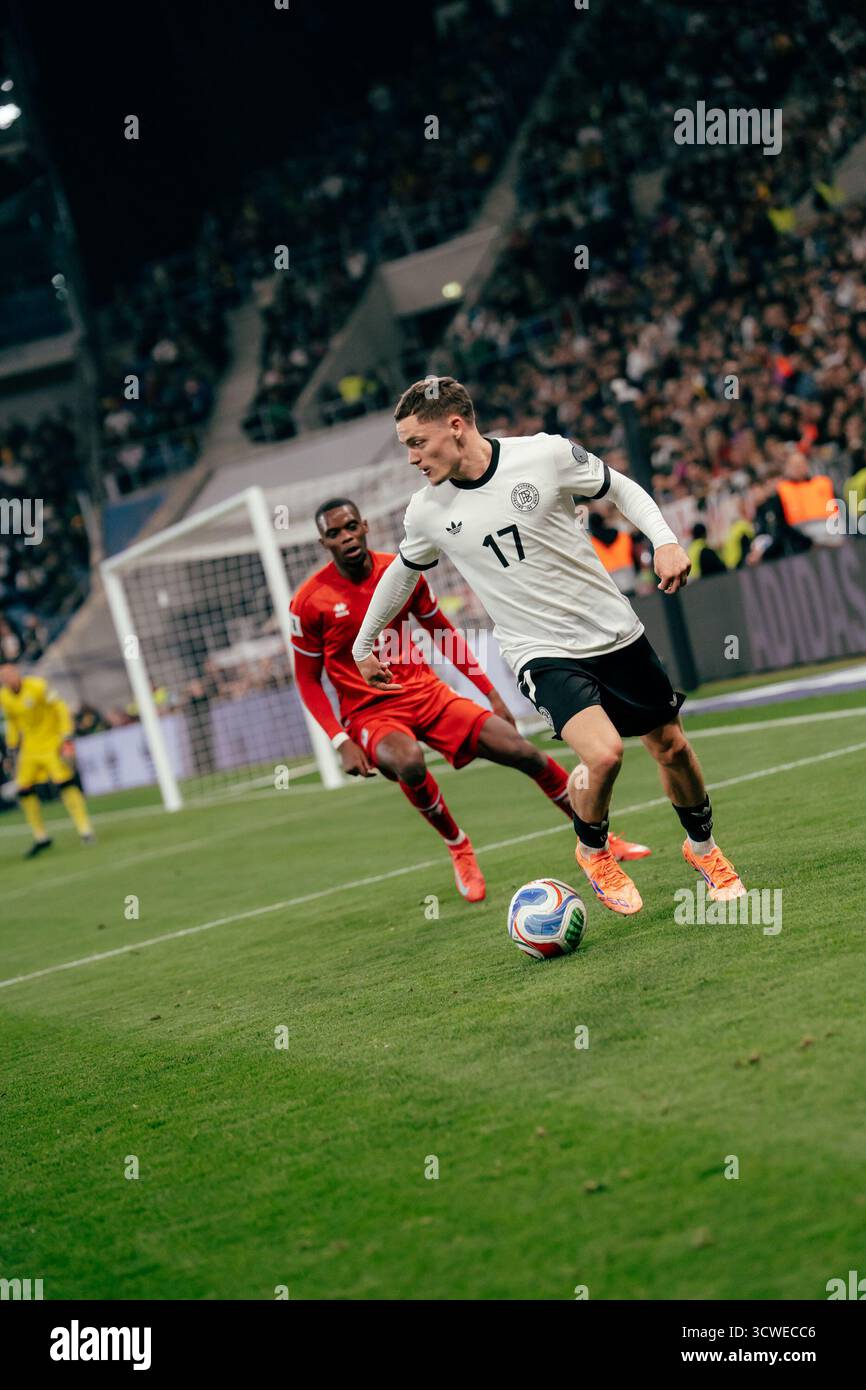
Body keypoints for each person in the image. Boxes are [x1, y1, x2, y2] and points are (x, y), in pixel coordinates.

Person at [352, 377, 746, 915]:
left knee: (671, 745)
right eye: (406, 447)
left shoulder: (545, 455)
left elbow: (621, 487)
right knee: (603, 754)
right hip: (539, 649)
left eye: (417, 443)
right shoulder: (426, 511)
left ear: (455, 425)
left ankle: (703, 849)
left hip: (612, 630)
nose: (412, 458)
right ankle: (594, 851)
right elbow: (403, 573)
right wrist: (364, 642)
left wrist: (666, 540)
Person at [290, 497, 651, 904]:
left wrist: (492, 694)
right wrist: (341, 741)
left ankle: (600, 839)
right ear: (324, 543)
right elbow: (306, 680)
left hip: (428, 694)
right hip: (369, 712)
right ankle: (458, 844)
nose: (346, 537)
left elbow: (443, 635)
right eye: (335, 533)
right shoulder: (309, 601)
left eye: (351, 526)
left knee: (522, 751)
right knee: (408, 761)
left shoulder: (400, 571)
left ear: (365, 526)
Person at [0, 664, 95, 858]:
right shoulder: (4, 697)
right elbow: (12, 721)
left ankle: (85, 830)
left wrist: (66, 734)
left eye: (9, 675)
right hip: (29, 749)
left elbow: (59, 707)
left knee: (65, 784)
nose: (7, 680)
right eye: (3, 677)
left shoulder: (38, 686)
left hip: (52, 743)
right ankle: (41, 836)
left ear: (17, 673)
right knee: (24, 789)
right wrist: (11, 747)